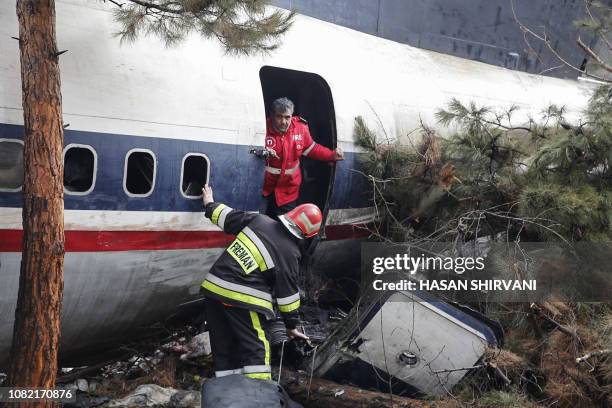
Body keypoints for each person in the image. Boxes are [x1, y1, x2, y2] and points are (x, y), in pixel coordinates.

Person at [200, 184, 321, 380]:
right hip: (243, 298)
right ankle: (259, 396)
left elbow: (226, 217)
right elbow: (287, 298)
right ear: (308, 235)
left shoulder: (259, 221)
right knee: (257, 348)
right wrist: (291, 327)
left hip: (213, 290)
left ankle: (227, 393)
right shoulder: (290, 254)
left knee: (224, 349)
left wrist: (209, 203)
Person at [262, 97, 344, 218]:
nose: (283, 122)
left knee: (284, 229)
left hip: (288, 191)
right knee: (258, 224)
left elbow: (313, 149)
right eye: (279, 117)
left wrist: (331, 155)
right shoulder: (262, 128)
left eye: (287, 117)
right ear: (272, 115)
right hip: (264, 189)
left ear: (292, 116)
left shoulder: (301, 129)